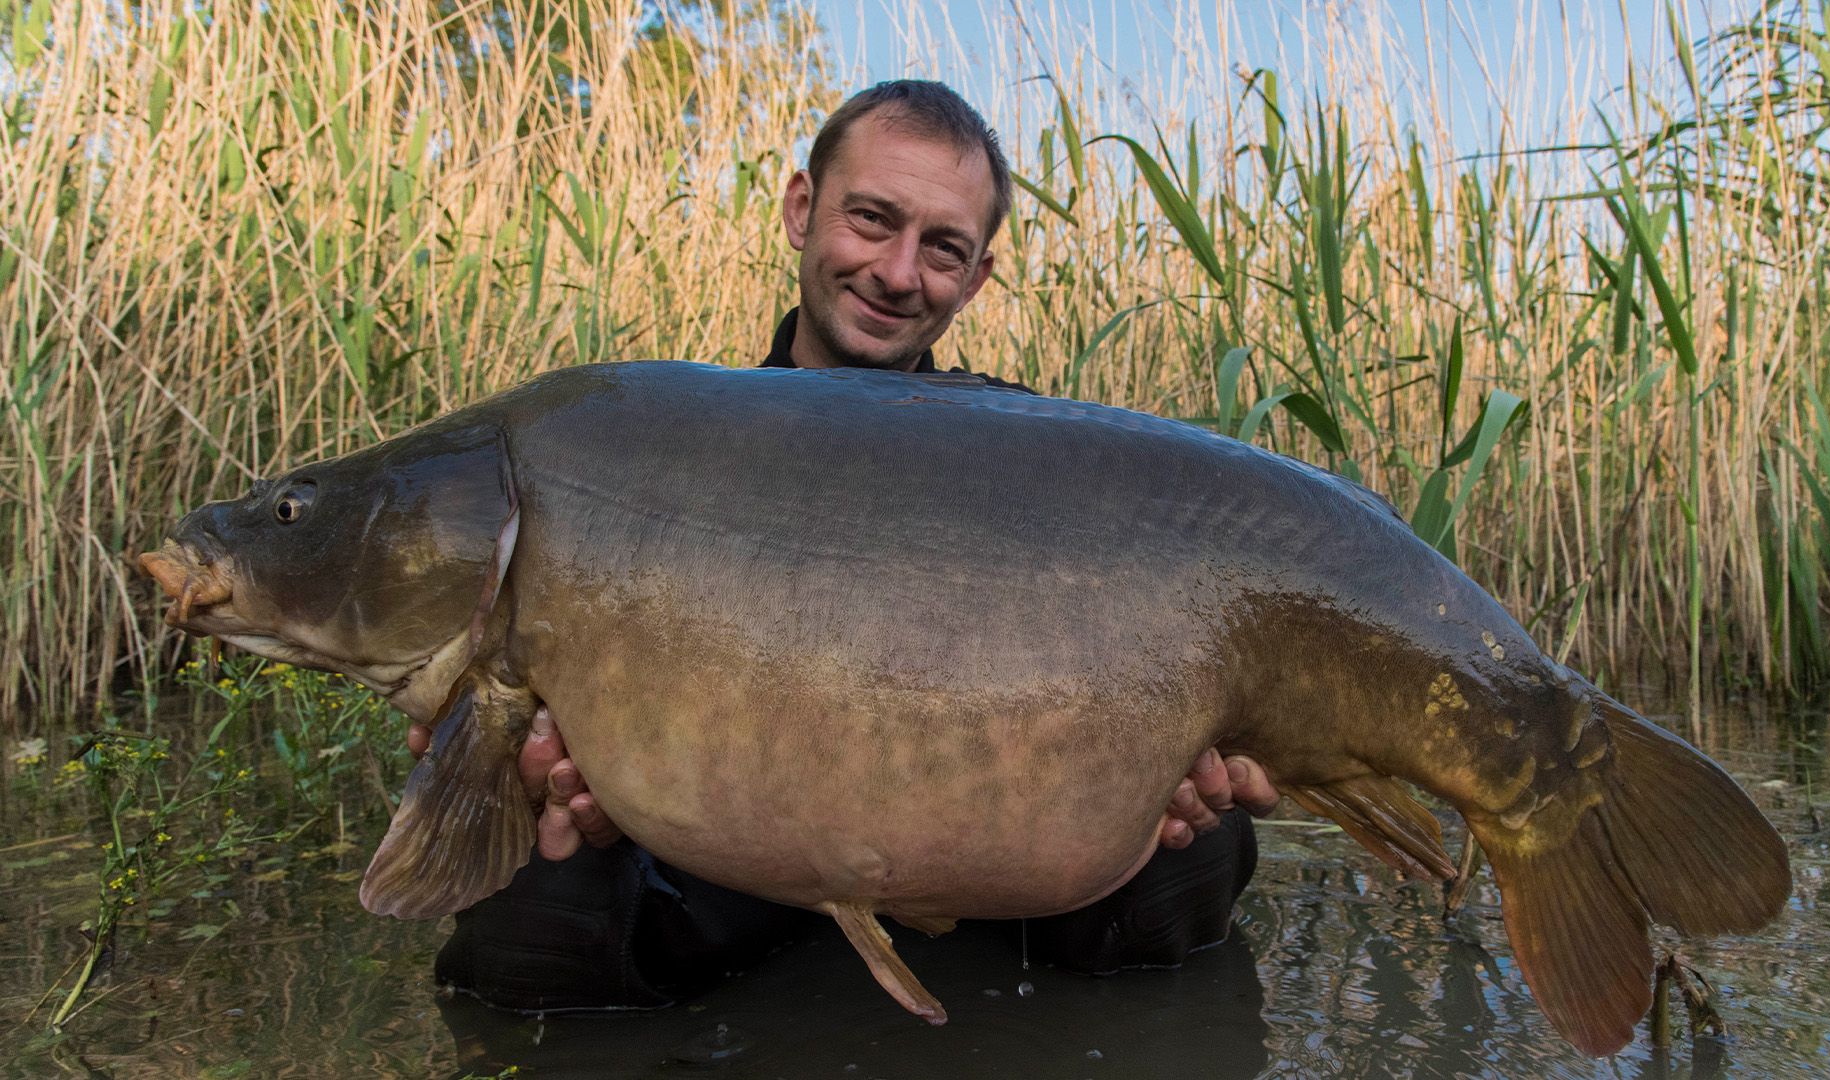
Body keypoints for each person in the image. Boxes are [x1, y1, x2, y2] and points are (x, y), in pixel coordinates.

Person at [412, 80, 1282, 1013]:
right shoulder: (654, 456)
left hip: (995, 896)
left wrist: (1189, 806)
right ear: (802, 209)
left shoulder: (1043, 470)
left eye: (943, 248)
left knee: (1189, 870)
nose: (898, 272)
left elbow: (1150, 930)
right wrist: (554, 816)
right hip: (710, 896)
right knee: (529, 948)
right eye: (871, 219)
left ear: (976, 278)